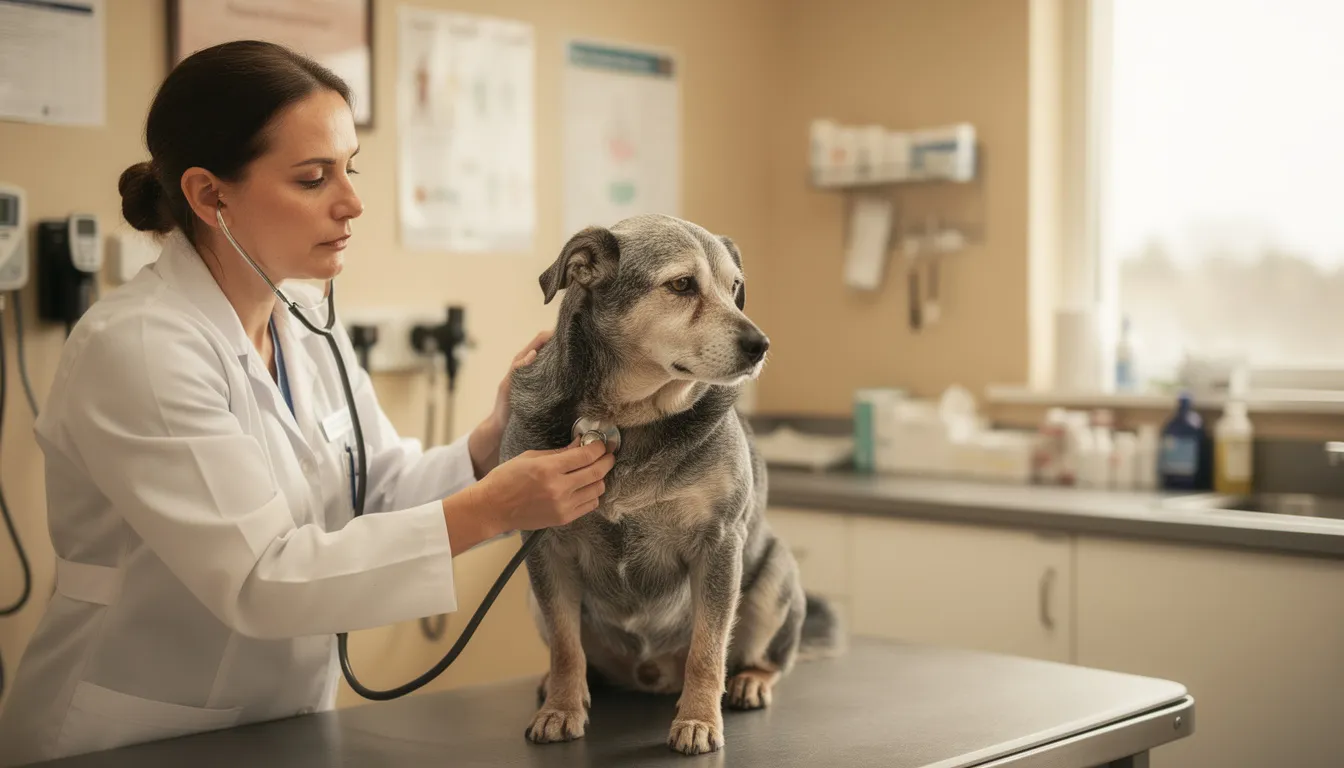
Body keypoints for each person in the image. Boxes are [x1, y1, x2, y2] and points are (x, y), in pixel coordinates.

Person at [0, 40, 614, 766]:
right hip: (126, 735)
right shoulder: (137, 348)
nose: (352, 202)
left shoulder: (304, 320)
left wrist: (494, 438)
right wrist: (496, 507)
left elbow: (376, 490)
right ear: (210, 195)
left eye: (351, 168)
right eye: (313, 177)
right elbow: (261, 579)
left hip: (276, 726)